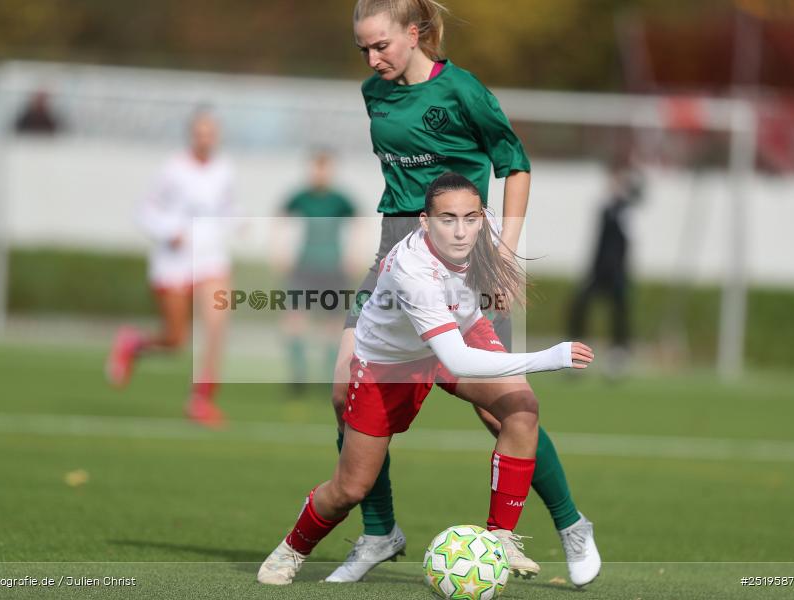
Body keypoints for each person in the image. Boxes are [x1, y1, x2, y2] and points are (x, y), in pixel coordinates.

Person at [322, 0, 602, 587]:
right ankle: (379, 532)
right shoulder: (375, 93)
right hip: (395, 259)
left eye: (381, 46)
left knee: (503, 410)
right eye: (363, 49)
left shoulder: (463, 91)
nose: (372, 60)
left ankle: (571, 524)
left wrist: (504, 253)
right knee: (344, 391)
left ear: (414, 32)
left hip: (466, 264)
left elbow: (515, 164)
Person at [258, 173, 594, 586]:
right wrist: (551, 357)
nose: (461, 230)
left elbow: (517, 174)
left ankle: (500, 537)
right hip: (390, 364)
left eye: (470, 218)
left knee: (522, 408)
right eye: (447, 219)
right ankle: (293, 548)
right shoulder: (412, 269)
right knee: (350, 488)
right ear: (424, 221)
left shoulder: (482, 232)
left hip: (460, 331)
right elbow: (457, 359)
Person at [105, 109, 234, 427]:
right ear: (191, 135)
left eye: (210, 133)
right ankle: (133, 343)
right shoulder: (172, 169)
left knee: (216, 326)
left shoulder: (224, 170)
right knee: (176, 340)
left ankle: (200, 401)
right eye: (200, 133)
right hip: (174, 263)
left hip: (210, 260)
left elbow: (227, 208)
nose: (205, 139)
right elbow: (143, 210)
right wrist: (168, 231)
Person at [280, 150, 357, 395]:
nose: (320, 172)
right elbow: (280, 220)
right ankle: (298, 375)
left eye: (325, 167)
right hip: (305, 266)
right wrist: (281, 251)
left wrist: (353, 255)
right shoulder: (301, 197)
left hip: (333, 267)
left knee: (333, 324)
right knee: (295, 319)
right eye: (317, 167)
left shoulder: (340, 200)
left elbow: (359, 224)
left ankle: (329, 376)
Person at [568, 161, 643, 376]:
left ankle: (618, 354)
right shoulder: (604, 209)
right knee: (579, 305)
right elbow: (597, 242)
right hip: (599, 270)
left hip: (617, 272)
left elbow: (628, 241)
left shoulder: (627, 210)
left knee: (619, 313)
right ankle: (576, 353)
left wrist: (624, 271)